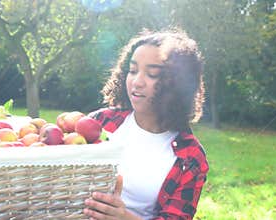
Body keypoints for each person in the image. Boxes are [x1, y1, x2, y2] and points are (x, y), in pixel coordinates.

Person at [83, 28, 209, 220]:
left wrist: (124, 217)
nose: (137, 82)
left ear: (177, 85)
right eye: (132, 71)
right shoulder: (101, 122)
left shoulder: (190, 157)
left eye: (152, 74)